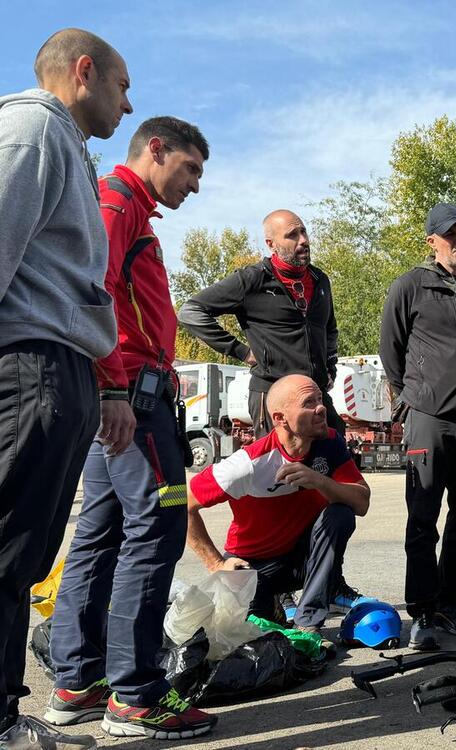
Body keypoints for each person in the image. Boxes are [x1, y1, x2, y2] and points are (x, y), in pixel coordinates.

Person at [45, 117, 217, 741]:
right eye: (190, 168)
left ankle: (77, 680)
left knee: (101, 529)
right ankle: (136, 694)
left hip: (123, 396)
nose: (194, 185)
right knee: (159, 528)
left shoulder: (126, 210)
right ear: (156, 150)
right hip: (132, 399)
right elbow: (96, 290)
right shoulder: (117, 203)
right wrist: (116, 385)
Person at [0, 28, 132, 750]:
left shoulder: (62, 144)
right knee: (3, 554)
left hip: (57, 370)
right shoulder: (27, 131)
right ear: (84, 72)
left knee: (19, 559)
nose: (128, 101)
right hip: (28, 369)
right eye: (121, 84)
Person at [379, 203, 456, 650]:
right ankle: (423, 611)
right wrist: (412, 396)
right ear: (432, 241)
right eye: (450, 235)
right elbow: (391, 349)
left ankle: (450, 599)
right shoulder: (411, 286)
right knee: (423, 517)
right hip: (429, 419)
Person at [186, 374, 370, 637]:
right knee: (256, 636)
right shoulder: (246, 464)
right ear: (280, 418)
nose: (321, 408)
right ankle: (273, 607)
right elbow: (183, 507)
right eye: (309, 402)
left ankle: (308, 622)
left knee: (340, 514)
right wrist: (216, 565)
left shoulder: (330, 442)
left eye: (320, 399)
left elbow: (361, 502)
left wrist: (319, 482)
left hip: (302, 560)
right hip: (252, 567)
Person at [177, 210, 346, 438]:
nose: (303, 240)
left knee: (335, 459)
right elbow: (191, 312)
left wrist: (330, 366)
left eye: (304, 231)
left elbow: (329, 329)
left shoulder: (320, 280)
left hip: (314, 394)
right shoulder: (252, 280)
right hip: (273, 395)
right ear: (271, 244)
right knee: (278, 471)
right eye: (292, 235)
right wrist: (241, 351)